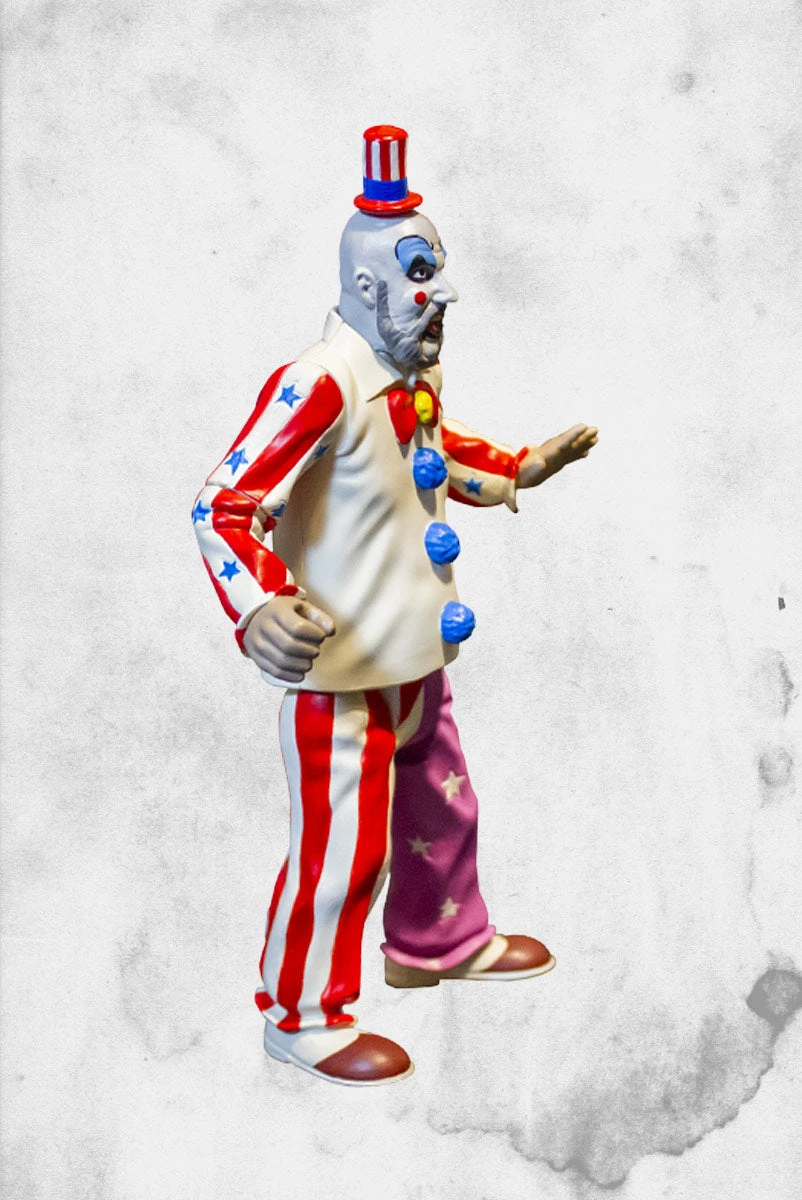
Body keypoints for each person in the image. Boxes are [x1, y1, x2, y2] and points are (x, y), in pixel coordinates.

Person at [193, 126, 598, 1086]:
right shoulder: (319, 383)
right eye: (422, 275)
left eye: (440, 270)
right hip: (342, 677)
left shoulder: (410, 377)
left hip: (413, 660)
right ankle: (302, 1016)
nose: (443, 293)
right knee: (343, 850)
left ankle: (438, 940)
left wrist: (516, 470)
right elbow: (224, 503)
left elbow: (435, 452)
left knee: (441, 807)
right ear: (367, 286)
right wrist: (258, 607)